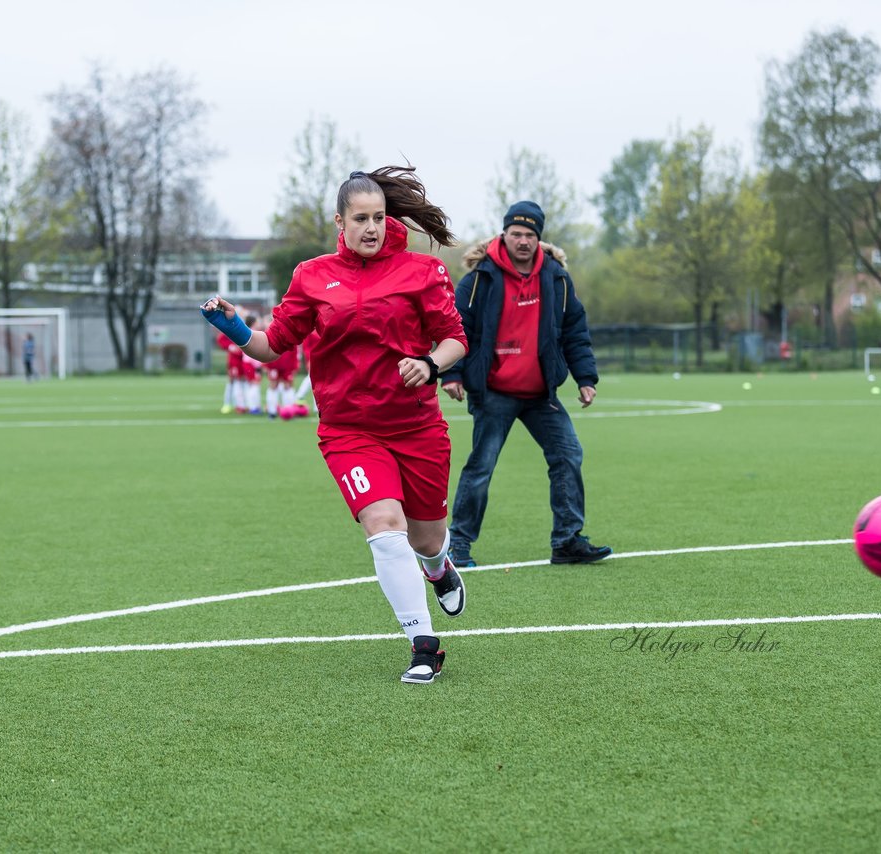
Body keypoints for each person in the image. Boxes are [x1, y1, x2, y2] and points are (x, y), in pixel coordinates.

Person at [201, 166, 468, 684]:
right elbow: (271, 345)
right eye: (360, 218)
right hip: (349, 431)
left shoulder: (422, 271)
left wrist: (432, 364)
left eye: (379, 217)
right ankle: (423, 643)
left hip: (416, 427)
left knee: (427, 539)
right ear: (339, 222)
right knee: (385, 529)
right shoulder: (312, 276)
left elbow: (454, 339)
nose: (371, 227)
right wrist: (231, 324)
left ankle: (438, 568)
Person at [440, 201, 612, 567]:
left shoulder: (557, 279)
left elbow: (574, 332)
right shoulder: (479, 280)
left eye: (529, 235)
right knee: (481, 466)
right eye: (516, 233)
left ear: (539, 239)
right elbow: (455, 329)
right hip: (493, 391)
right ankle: (458, 545)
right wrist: (452, 374)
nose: (522, 240)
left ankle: (567, 540)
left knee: (568, 455)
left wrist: (586, 378)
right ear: (503, 234)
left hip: (540, 394)